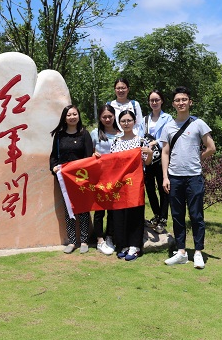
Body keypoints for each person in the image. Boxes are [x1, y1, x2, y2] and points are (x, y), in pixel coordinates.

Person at [161, 86, 216, 269]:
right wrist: (165, 177)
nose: (181, 103)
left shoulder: (198, 123)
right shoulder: (168, 126)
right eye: (177, 100)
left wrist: (197, 158)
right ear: (173, 104)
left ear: (190, 102)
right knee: (177, 215)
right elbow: (165, 152)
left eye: (184, 99)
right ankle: (181, 252)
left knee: (196, 215)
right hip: (174, 177)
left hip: (194, 177)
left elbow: (211, 147)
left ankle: (198, 252)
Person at [50, 105, 93, 254]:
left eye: (75, 114)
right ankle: (72, 241)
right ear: (64, 118)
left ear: (78, 116)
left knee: (83, 209)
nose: (72, 117)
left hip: (81, 179)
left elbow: (88, 157)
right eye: (69, 115)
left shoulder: (84, 134)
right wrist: (54, 168)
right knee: (69, 209)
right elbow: (54, 156)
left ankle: (84, 240)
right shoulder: (59, 136)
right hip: (65, 179)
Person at [110, 110, 153, 261]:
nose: (126, 123)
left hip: (135, 183)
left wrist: (149, 153)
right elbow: (111, 162)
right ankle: (122, 244)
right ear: (119, 123)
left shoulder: (141, 141)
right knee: (119, 214)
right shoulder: (116, 142)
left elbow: (147, 163)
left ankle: (135, 246)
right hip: (119, 184)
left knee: (135, 213)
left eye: (129, 120)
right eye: (123, 121)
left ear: (134, 122)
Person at [139, 90, 173, 234]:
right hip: (148, 158)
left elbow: (170, 135)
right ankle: (157, 215)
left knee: (163, 188)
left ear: (162, 101)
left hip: (162, 157)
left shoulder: (168, 118)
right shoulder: (145, 119)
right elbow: (140, 136)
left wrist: (156, 142)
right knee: (149, 188)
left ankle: (163, 219)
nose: (154, 103)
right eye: (151, 100)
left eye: (157, 100)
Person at [91, 104, 121, 255]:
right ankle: (99, 239)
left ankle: (109, 236)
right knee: (99, 210)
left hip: (117, 178)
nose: (107, 119)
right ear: (100, 118)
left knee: (113, 209)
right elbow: (88, 154)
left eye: (110, 116)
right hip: (99, 178)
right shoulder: (94, 134)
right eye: (104, 117)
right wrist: (92, 155)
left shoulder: (121, 133)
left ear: (114, 116)